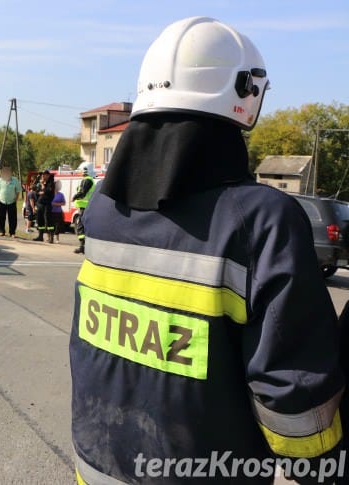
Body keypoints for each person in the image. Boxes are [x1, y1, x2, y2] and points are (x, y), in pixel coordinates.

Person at [70, 17, 344, 485]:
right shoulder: (262, 221)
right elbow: (291, 395)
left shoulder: (102, 208)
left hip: (96, 469)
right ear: (247, 93)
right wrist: (327, 467)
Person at [0, 166, 21, 237]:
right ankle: (1, 231)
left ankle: (12, 232)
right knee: (1, 217)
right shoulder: (0, 180)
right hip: (1, 201)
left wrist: (16, 199)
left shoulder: (15, 180)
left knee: (12, 218)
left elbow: (18, 191)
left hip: (12, 202)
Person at [71, 169, 95, 254]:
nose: (79, 172)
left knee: (81, 227)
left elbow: (82, 192)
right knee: (84, 226)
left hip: (85, 207)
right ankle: (84, 247)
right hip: (85, 207)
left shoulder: (87, 180)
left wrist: (75, 196)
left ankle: (82, 247)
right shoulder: (89, 180)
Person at [33, 170, 55, 243]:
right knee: (40, 220)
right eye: (42, 175)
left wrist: (43, 186)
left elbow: (48, 191)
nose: (43, 176)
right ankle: (40, 236)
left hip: (47, 204)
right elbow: (35, 189)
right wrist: (39, 190)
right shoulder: (40, 182)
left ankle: (51, 238)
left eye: (44, 175)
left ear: (48, 175)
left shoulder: (51, 183)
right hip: (40, 204)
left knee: (48, 221)